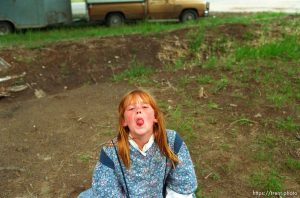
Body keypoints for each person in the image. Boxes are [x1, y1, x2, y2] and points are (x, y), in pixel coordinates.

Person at [78, 89, 197, 198]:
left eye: (145, 107)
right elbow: (106, 191)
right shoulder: (111, 151)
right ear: (124, 121)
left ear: (155, 116)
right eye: (131, 109)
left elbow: (183, 181)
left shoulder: (172, 140)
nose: (138, 111)